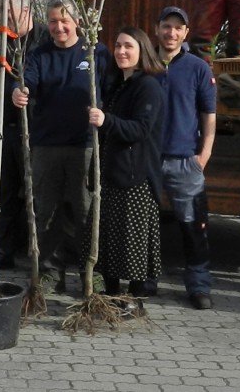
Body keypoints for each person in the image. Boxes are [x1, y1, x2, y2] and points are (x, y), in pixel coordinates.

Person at [12, 0, 110, 293]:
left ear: (77, 22)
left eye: (64, 20)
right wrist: (19, 91)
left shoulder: (96, 54)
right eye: (53, 21)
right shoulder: (40, 53)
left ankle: (89, 270)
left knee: (85, 210)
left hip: (84, 145)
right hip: (46, 145)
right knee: (47, 210)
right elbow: (26, 80)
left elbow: (110, 89)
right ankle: (50, 271)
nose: (58, 27)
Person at [87, 26, 165, 308]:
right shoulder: (119, 84)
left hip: (135, 177)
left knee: (131, 245)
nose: (121, 51)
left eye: (128, 46)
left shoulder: (148, 86)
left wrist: (105, 120)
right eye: (118, 45)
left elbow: (140, 129)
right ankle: (110, 296)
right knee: (110, 241)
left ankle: (132, 301)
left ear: (142, 50)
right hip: (113, 173)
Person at [0, 0, 46, 271]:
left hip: (34, 133)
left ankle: (39, 256)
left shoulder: (42, 41)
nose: (2, 18)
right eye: (0, 12)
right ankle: (0, 253)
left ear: (26, 11)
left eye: (8, 12)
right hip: (2, 131)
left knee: (36, 195)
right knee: (1, 195)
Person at [154, 6, 218, 309]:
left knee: (193, 228)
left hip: (185, 162)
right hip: (148, 160)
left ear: (185, 33)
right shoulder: (145, 63)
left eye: (178, 28)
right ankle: (145, 279)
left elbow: (209, 115)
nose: (171, 33)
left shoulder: (198, 67)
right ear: (157, 29)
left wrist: (203, 155)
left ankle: (198, 284)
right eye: (166, 26)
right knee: (144, 224)